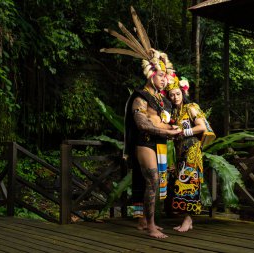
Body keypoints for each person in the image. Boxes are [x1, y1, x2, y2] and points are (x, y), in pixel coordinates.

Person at [101, 6, 181, 239]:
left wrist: (172, 128)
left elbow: (162, 121)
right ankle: (152, 226)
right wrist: (168, 133)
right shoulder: (140, 96)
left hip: (158, 143)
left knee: (155, 183)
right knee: (153, 180)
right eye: (161, 75)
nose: (165, 80)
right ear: (150, 74)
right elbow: (142, 124)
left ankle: (145, 222)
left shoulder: (161, 100)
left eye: (167, 76)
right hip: (145, 142)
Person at [165, 74, 208, 232]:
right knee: (181, 185)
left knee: (188, 185)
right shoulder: (174, 113)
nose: (175, 97)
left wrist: (183, 131)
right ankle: (187, 221)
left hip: (192, 151)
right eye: (172, 94)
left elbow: (201, 127)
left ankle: (188, 220)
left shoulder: (191, 107)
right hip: (180, 153)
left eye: (177, 93)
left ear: (182, 93)